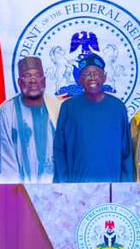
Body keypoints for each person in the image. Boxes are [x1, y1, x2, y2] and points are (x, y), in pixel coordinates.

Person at [53, 54, 133, 183]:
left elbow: (127, 153)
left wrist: (127, 186)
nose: (92, 77)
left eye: (96, 73)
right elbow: (60, 149)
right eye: (86, 74)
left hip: (112, 187)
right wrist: (63, 185)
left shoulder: (118, 107)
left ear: (104, 77)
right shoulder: (68, 107)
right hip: (76, 187)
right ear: (79, 79)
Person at [0, 56, 60, 183]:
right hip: (18, 192)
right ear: (19, 82)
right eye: (27, 76)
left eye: (37, 75)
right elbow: (5, 157)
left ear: (44, 81)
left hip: (55, 190)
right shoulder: (6, 111)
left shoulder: (57, 107)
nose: (33, 80)